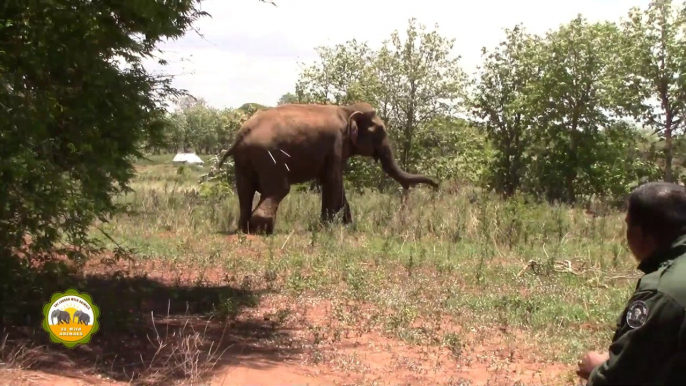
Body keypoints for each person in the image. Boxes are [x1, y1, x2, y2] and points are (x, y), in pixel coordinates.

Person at [576, 181, 686, 385]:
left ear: (641, 231)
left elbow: (623, 377)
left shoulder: (661, 291)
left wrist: (596, 370)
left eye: (628, 225)